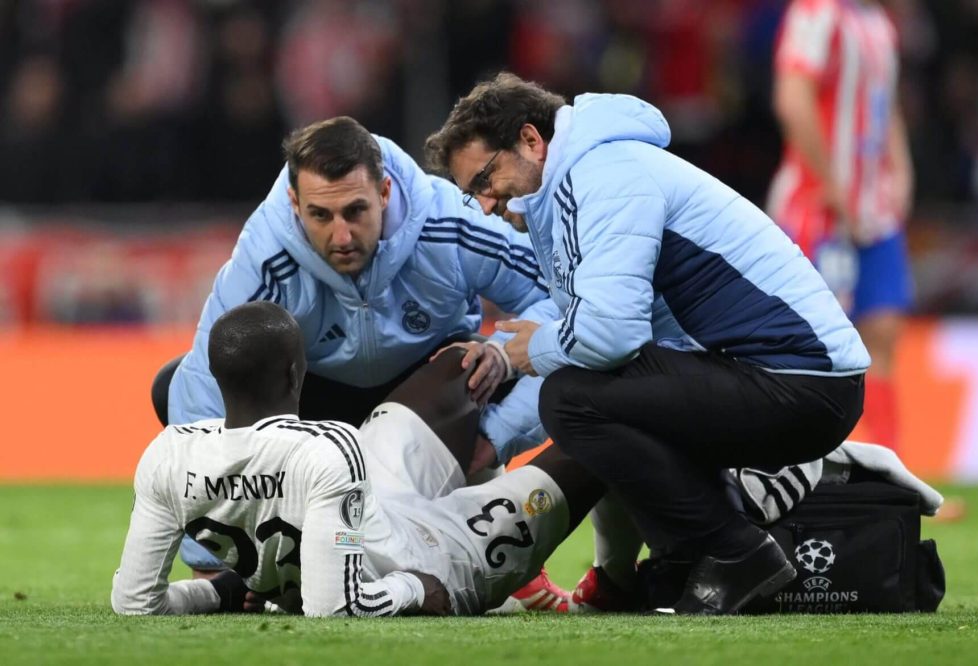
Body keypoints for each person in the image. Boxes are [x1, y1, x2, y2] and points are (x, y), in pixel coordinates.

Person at [425, 73, 869, 615]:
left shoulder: (605, 176)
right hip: (785, 378)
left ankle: (736, 551)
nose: (487, 204)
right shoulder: (590, 173)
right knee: (595, 395)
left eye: (485, 180)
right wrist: (501, 404)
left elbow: (611, 335)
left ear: (530, 140)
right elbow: (583, 321)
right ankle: (682, 563)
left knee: (572, 398)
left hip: (801, 384)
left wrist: (530, 353)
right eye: (474, 193)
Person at [155, 116, 565, 602]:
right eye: (321, 217)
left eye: (356, 211)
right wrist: (217, 557)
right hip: (315, 409)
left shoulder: (448, 222)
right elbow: (204, 384)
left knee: (473, 362)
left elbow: (560, 302)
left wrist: (498, 394)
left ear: (386, 192)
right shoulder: (264, 259)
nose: (342, 236)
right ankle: (288, 559)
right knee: (175, 383)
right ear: (294, 203)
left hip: (433, 393)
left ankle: (504, 552)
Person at [113, 301, 603, 616]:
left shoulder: (167, 455)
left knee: (464, 362)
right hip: (426, 556)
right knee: (603, 428)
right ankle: (617, 576)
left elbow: (134, 603)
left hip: (373, 493)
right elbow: (335, 607)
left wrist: (214, 594)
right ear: (295, 374)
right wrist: (414, 588)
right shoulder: (327, 449)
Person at [766, 0, 913, 453]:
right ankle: (801, 466)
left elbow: (885, 104)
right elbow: (793, 98)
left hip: (875, 212)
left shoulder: (876, 20)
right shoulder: (816, 11)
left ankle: (895, 474)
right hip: (817, 209)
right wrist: (831, 183)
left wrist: (902, 171)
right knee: (813, 348)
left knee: (884, 333)